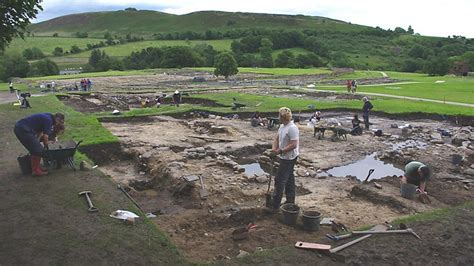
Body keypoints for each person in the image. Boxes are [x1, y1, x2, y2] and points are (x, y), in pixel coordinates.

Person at [268, 107, 300, 212]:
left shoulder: (292, 128)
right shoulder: (282, 126)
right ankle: (290, 201)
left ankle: (275, 205)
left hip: (289, 157)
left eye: (279, 116)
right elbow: (276, 139)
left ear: (283, 117)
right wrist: (274, 150)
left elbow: (294, 144)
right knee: (289, 179)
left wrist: (280, 151)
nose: (278, 118)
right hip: (283, 156)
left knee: (280, 180)